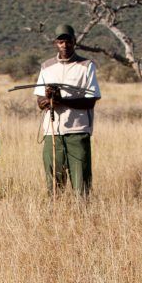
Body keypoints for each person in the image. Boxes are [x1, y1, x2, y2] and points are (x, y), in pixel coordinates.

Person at [33, 24, 101, 196]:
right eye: (61, 41)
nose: (64, 45)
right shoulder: (46, 66)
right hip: (52, 132)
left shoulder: (87, 65)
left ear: (74, 41)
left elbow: (91, 101)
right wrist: (48, 101)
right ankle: (56, 214)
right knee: (54, 180)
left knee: (81, 181)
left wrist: (63, 100)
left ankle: (83, 214)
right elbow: (39, 100)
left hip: (78, 131)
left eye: (68, 41)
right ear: (56, 43)